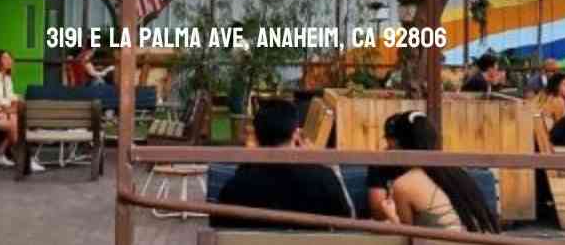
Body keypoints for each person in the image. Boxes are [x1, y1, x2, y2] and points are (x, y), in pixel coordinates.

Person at [213, 99, 353, 228]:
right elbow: (346, 222)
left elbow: (218, 226)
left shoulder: (236, 185)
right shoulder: (323, 179)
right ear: (295, 134)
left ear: (256, 137)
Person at [367, 111, 500, 233]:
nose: (388, 149)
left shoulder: (404, 184)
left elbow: (407, 237)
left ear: (399, 145)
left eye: (391, 144)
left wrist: (391, 215)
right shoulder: (457, 172)